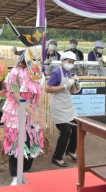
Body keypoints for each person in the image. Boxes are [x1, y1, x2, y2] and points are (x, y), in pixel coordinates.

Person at [1, 18, 46, 185]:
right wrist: (33, 112)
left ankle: (26, 172)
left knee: (31, 141)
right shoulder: (15, 73)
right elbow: (14, 95)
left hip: (31, 114)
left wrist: (40, 115)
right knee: (16, 143)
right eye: (35, 57)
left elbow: (39, 95)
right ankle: (15, 175)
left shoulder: (39, 75)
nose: (38, 61)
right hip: (16, 114)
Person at [46, 51, 80, 168]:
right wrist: (65, 85)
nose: (70, 64)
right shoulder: (56, 73)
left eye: (72, 62)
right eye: (69, 62)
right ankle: (57, 157)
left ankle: (70, 150)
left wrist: (75, 84)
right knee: (66, 131)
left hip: (68, 104)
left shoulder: (69, 73)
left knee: (76, 127)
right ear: (63, 61)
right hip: (58, 106)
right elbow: (48, 89)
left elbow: (71, 92)